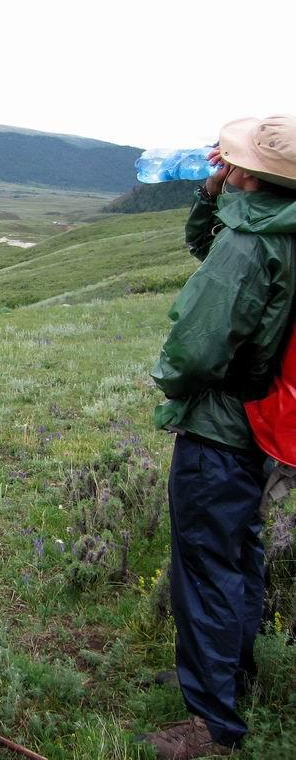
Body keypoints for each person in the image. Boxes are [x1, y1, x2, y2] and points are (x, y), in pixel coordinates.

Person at [144, 115, 296, 759]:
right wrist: (210, 197)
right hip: (261, 421)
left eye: (230, 163)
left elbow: (198, 346)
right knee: (239, 554)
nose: (222, 168)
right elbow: (206, 243)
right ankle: (230, 678)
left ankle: (212, 722)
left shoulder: (249, 245)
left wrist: (171, 381)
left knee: (205, 564)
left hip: (221, 423)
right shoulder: (274, 228)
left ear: (249, 172)